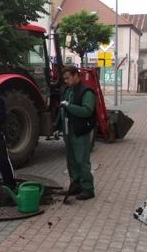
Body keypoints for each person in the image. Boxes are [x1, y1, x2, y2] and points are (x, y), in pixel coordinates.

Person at [56, 66, 96, 200]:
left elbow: (87, 110)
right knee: (71, 160)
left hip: (79, 131)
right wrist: (58, 126)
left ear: (76, 75)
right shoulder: (68, 90)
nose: (65, 81)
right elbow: (62, 109)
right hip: (68, 131)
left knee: (81, 161)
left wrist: (69, 106)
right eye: (64, 79)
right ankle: (76, 185)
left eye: (67, 78)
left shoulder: (86, 92)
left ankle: (88, 189)